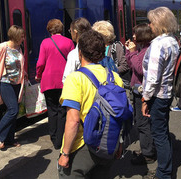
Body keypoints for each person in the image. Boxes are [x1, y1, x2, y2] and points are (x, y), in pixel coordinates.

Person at [58, 30, 124, 178]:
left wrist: (65, 153)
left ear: (80, 52)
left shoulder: (75, 79)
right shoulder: (114, 77)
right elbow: (119, 115)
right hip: (108, 143)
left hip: (82, 146)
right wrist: (119, 142)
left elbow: (73, 120)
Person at [142, 7, 179, 179]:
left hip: (157, 95)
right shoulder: (173, 41)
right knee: (163, 132)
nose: (149, 26)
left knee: (159, 134)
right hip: (167, 93)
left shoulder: (158, 44)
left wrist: (145, 98)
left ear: (159, 23)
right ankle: (166, 169)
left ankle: (163, 173)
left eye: (151, 22)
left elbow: (153, 77)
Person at [35, 19, 74, 149]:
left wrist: (38, 75)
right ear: (61, 29)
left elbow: (40, 62)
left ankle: (53, 137)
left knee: (51, 110)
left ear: (49, 29)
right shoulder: (69, 42)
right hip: (65, 81)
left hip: (49, 81)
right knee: (62, 110)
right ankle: (60, 138)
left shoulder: (45, 43)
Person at [0, 25, 25, 149]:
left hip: (17, 83)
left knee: (14, 113)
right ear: (15, 36)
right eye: (21, 36)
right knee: (13, 109)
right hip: (5, 82)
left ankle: (9, 139)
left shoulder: (19, 48)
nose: (23, 39)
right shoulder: (3, 47)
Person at [125, 23, 156, 165]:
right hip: (137, 90)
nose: (133, 36)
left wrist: (132, 52)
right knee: (140, 122)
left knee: (143, 124)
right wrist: (129, 51)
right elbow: (131, 65)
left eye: (135, 34)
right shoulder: (142, 49)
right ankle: (147, 148)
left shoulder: (146, 51)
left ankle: (148, 154)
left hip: (142, 92)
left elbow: (139, 69)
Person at [62, 17, 91, 83]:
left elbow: (67, 79)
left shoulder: (74, 54)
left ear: (75, 32)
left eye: (70, 31)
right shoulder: (96, 49)